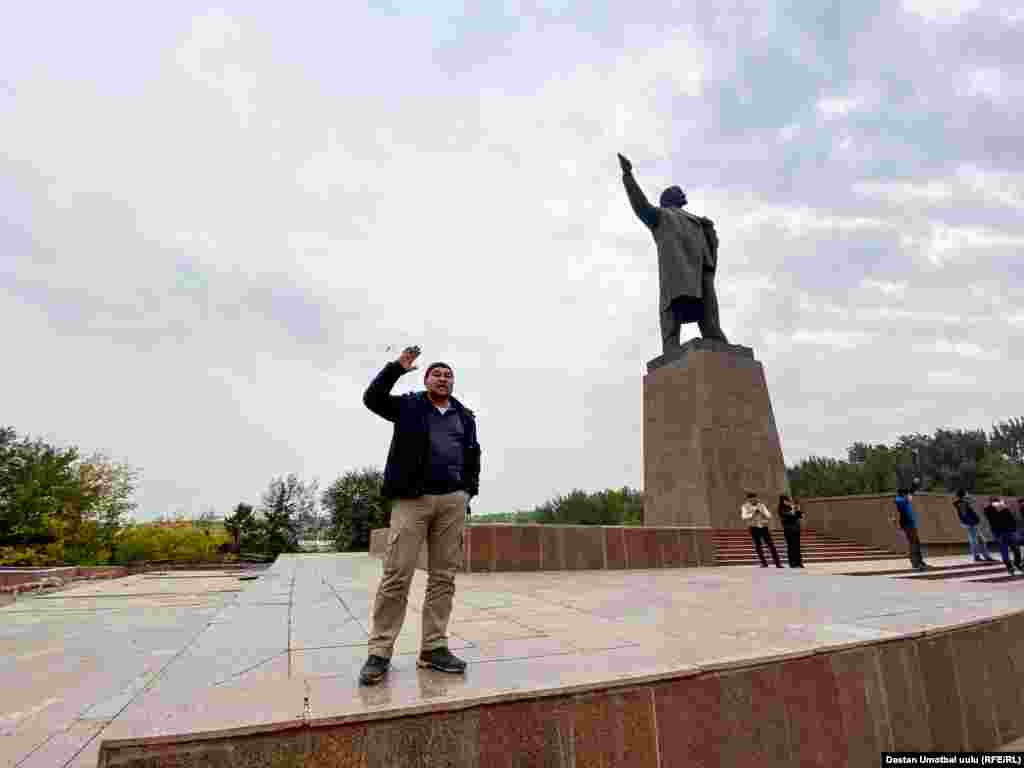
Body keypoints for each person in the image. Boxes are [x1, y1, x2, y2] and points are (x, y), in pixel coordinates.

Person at [358, 346, 482, 686]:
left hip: (452, 503)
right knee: (397, 575)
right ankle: (380, 651)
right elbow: (372, 398)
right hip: (413, 500)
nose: (443, 378)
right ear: (426, 379)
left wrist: (467, 491)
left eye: (448, 375)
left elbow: (473, 456)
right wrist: (396, 367)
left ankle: (433, 648)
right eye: (436, 374)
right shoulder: (409, 406)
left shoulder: (465, 416)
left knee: (444, 578)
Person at [617, 153, 729, 353]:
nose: (682, 193)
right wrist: (628, 176)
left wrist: (711, 234)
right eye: (678, 192)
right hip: (677, 276)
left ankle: (718, 344)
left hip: (701, 278)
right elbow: (640, 206)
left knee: (710, 324)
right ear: (668, 199)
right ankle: (671, 348)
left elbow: (711, 253)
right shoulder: (662, 216)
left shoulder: (699, 222)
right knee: (672, 321)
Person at [741, 492, 782, 568]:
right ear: (749, 500)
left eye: (755, 498)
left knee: (771, 545)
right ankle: (764, 563)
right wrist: (752, 514)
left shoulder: (761, 505)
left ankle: (778, 563)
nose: (754, 500)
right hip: (753, 527)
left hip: (763, 527)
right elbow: (744, 517)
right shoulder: (745, 506)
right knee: (758, 546)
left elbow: (769, 515)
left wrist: (762, 512)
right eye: (752, 499)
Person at [983, 496, 1022, 575]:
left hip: (1006, 532)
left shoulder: (1001, 509)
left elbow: (1011, 519)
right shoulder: (990, 509)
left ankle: (1014, 566)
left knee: (1011, 550)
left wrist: (1014, 529)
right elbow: (1011, 519)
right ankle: (1012, 566)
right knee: (1010, 550)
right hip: (1002, 533)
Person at [953, 489, 995, 563]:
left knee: (981, 540)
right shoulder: (962, 504)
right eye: (966, 494)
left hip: (973, 524)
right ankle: (977, 557)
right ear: (963, 495)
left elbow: (972, 503)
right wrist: (971, 523)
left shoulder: (965, 502)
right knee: (974, 541)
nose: (968, 495)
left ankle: (986, 556)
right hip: (971, 524)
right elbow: (964, 515)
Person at [894, 488, 929, 571]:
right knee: (913, 542)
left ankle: (920, 561)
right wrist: (906, 500)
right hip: (907, 525)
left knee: (916, 542)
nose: (909, 497)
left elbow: (911, 492)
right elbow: (900, 505)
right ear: (903, 495)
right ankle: (915, 562)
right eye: (907, 495)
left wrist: (914, 484)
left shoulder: (905, 501)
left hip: (911, 525)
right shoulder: (899, 501)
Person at [778, 494, 804, 568]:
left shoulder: (791, 508)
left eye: (788, 500)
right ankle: (792, 563)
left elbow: (799, 516)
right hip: (788, 530)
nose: (787, 502)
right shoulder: (781, 509)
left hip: (796, 529)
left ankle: (799, 562)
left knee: (797, 546)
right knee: (791, 547)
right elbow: (789, 517)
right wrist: (793, 511)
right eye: (785, 500)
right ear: (782, 501)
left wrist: (798, 509)